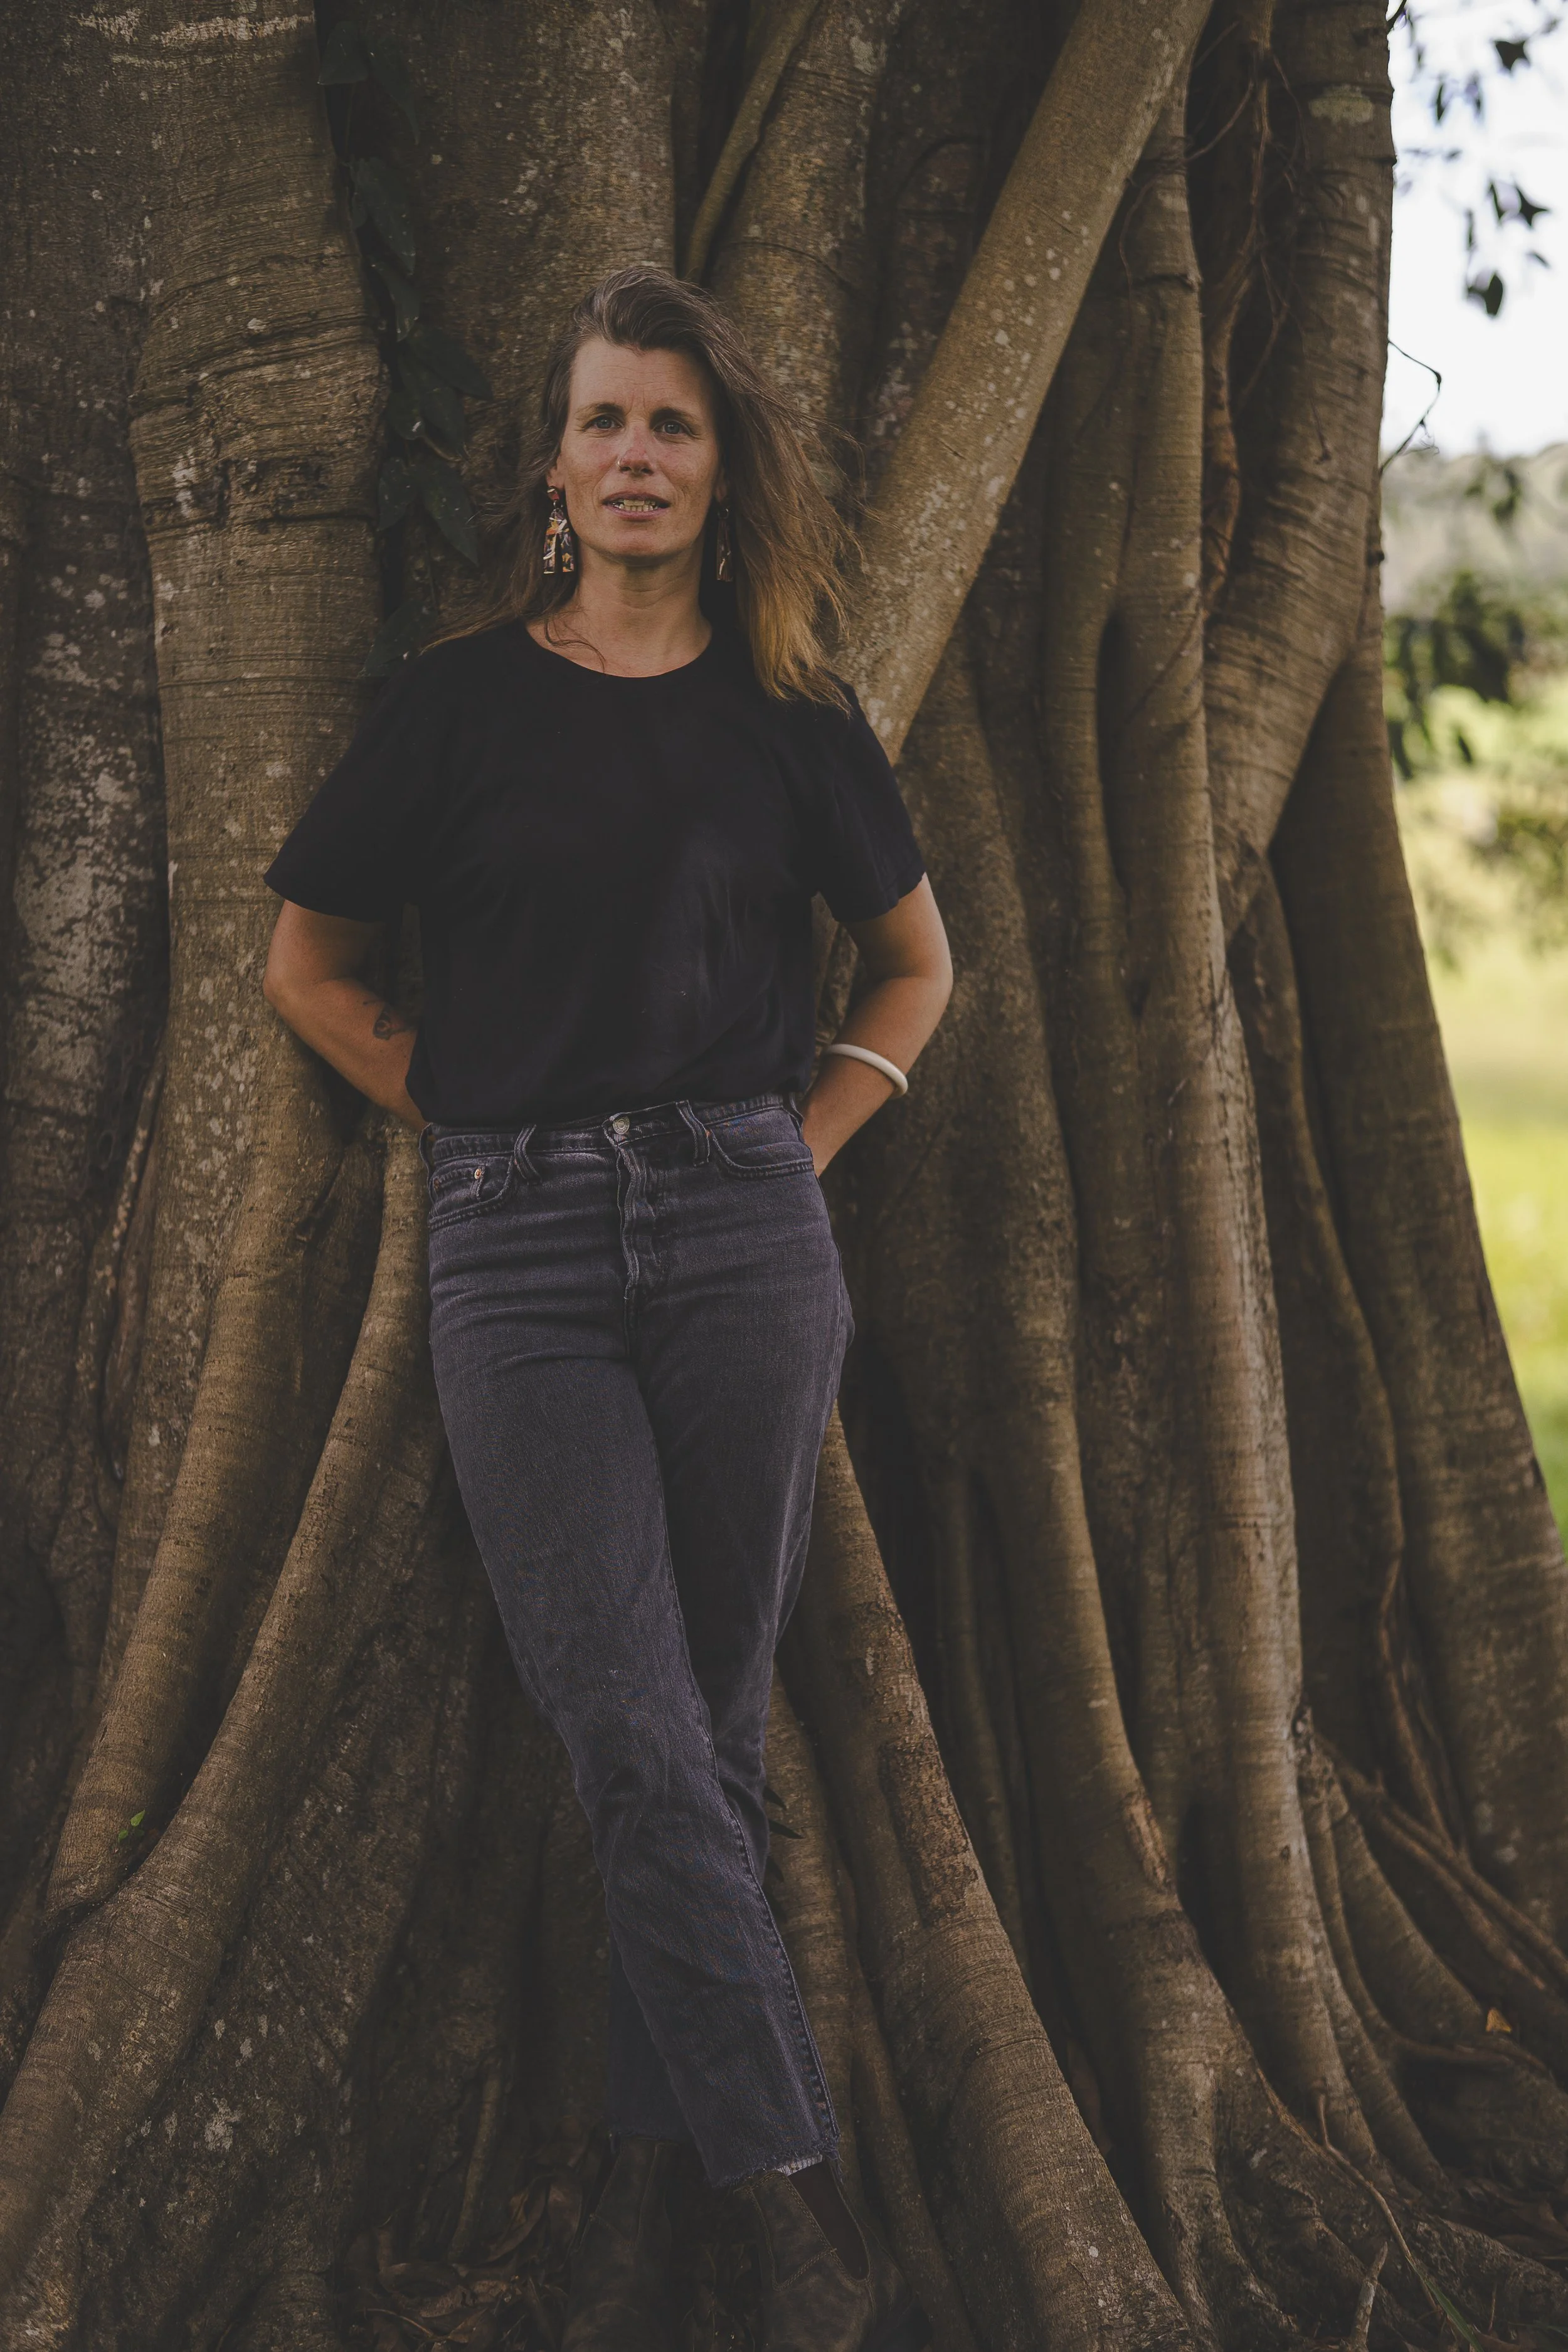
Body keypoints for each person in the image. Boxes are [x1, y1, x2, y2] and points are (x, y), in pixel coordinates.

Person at [262, 263, 951, 2352]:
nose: (637, 456)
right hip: (521, 1256)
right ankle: (801, 2219)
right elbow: (307, 964)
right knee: (642, 1734)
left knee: (709, 1744)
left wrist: (798, 1152)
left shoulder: (793, 719)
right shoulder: (457, 707)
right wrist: (466, 1114)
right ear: (552, 469)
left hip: (747, 1239)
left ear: (720, 470)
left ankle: (666, 2226)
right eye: (604, 424)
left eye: (674, 425)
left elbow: (916, 964)